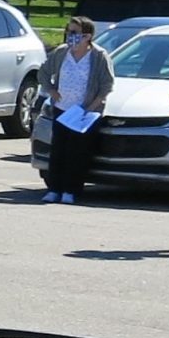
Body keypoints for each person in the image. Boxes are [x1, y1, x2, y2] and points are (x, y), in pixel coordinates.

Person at [41, 16, 113, 204]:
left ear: (87, 36)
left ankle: (71, 190)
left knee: (77, 152)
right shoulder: (61, 53)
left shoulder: (98, 55)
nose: (70, 36)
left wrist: (92, 106)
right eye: (68, 31)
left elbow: (107, 84)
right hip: (62, 109)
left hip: (84, 112)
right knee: (58, 150)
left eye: (74, 33)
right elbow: (43, 72)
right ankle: (54, 189)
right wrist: (51, 90)